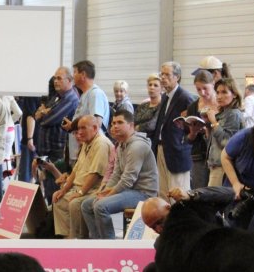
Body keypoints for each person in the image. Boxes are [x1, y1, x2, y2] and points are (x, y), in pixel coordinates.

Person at [81, 110, 158, 239]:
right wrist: (104, 192)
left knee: (100, 206)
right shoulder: (121, 145)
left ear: (131, 126)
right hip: (129, 190)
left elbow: (128, 180)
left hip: (143, 193)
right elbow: (116, 174)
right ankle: (96, 243)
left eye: (120, 122)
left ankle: (109, 246)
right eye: (113, 123)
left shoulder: (137, 146)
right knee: (86, 204)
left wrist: (108, 195)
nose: (115, 126)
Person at [52, 115, 113, 239]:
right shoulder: (87, 141)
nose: (79, 132)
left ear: (95, 128)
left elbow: (95, 174)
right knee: (58, 198)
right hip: (80, 187)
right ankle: (68, 235)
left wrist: (80, 192)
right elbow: (75, 171)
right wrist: (63, 190)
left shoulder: (101, 143)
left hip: (95, 190)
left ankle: (79, 238)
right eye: (78, 129)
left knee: (75, 203)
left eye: (83, 128)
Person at [152, 61, 195, 199]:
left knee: (178, 194)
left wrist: (181, 144)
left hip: (177, 152)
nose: (163, 77)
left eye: (167, 75)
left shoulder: (185, 97)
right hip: (161, 148)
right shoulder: (165, 96)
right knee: (163, 194)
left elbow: (192, 127)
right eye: (161, 74)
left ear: (177, 77)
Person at [205, 78, 244, 186]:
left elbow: (227, 142)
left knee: (214, 201)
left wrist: (213, 121)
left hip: (224, 167)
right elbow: (214, 142)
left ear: (235, 94)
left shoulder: (233, 114)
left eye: (224, 92)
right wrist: (208, 125)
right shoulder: (223, 114)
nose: (219, 96)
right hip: (215, 165)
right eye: (217, 92)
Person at [182, 70, 216, 190]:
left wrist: (209, 127)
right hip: (198, 155)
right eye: (198, 89)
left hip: (217, 155)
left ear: (213, 84)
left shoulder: (221, 104)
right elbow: (188, 139)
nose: (202, 92)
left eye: (205, 88)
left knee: (216, 190)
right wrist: (193, 132)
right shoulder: (193, 106)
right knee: (199, 189)